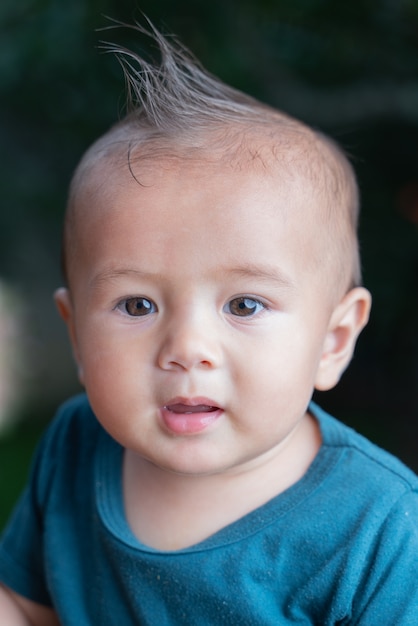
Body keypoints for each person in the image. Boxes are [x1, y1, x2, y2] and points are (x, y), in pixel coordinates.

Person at [0, 21, 417, 626]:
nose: (188, 349)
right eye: (137, 305)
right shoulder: (76, 443)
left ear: (333, 340)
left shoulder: (380, 531)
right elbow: (29, 608)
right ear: (76, 336)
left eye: (244, 305)